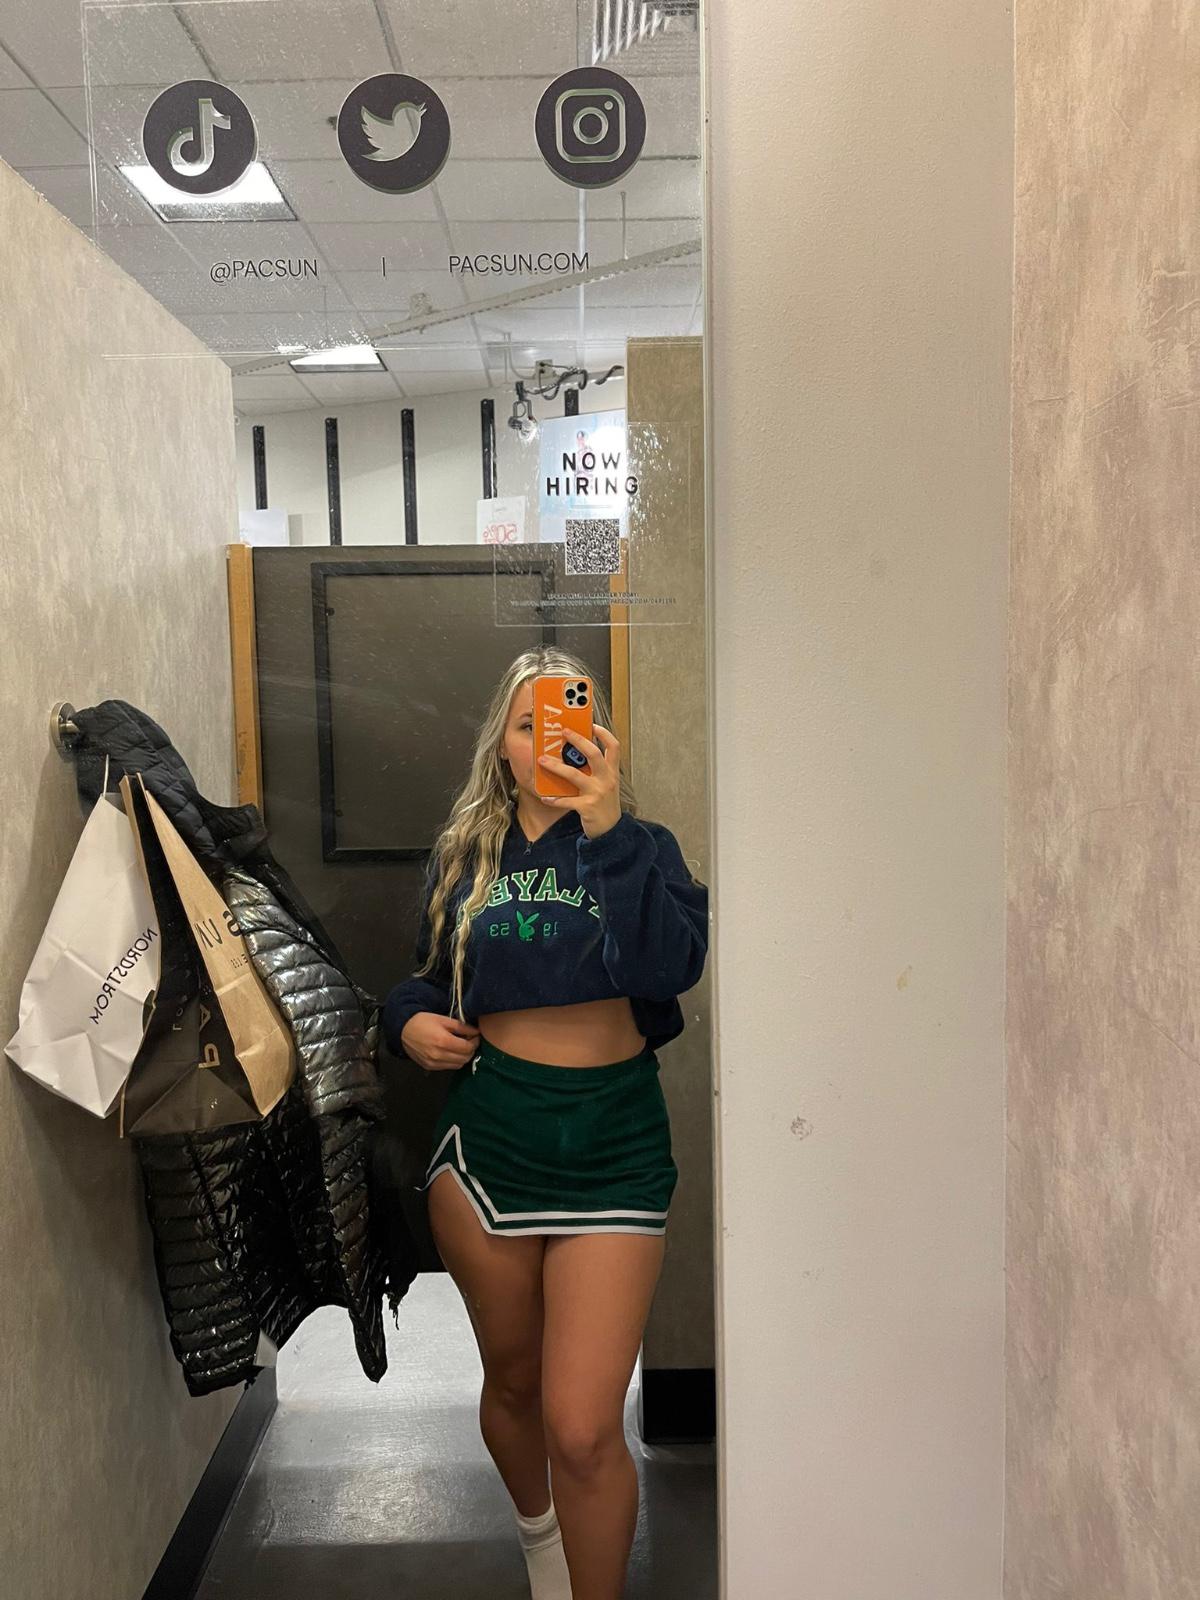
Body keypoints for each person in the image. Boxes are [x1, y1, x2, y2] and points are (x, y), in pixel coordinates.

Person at [381, 645, 708, 1600]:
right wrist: (405, 1023)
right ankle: (541, 1546)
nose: (551, 742)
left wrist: (606, 829)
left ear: (602, 739)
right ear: (503, 746)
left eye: (572, 722)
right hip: (490, 1143)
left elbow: (670, 968)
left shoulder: (644, 848)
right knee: (516, 1384)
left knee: (584, 1425)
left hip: (616, 1141)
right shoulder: (465, 855)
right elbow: (428, 978)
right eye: (531, 726)